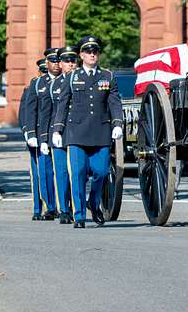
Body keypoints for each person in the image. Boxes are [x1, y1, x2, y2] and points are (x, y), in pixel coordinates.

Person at [51, 36, 123, 228]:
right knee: (78, 173)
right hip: (76, 133)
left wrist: (118, 124)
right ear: (81, 55)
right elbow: (63, 105)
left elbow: (114, 102)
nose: (92, 54)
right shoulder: (72, 77)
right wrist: (58, 130)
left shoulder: (108, 76)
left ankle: (94, 201)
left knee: (101, 172)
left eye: (95, 51)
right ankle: (80, 214)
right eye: (88, 52)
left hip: (100, 132)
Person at [49, 45, 78, 224]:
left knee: (76, 172)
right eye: (66, 61)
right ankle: (64, 210)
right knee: (61, 173)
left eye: (73, 60)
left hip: (77, 133)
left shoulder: (83, 80)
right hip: (59, 133)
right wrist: (48, 136)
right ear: (60, 63)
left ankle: (77, 209)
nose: (70, 64)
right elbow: (48, 113)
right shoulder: (54, 85)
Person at [19, 59, 47, 220]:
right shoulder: (30, 89)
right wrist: (28, 134)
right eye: (42, 71)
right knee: (37, 174)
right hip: (36, 135)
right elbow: (24, 114)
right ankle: (37, 208)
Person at [34, 48, 61, 221]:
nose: (57, 64)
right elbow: (31, 112)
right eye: (53, 61)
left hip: (63, 132)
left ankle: (63, 206)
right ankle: (49, 206)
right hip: (43, 133)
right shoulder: (38, 84)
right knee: (45, 173)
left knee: (63, 172)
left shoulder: (69, 81)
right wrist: (32, 134)